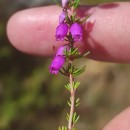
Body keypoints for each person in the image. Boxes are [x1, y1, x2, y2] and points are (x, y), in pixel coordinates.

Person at [6, 2, 130, 130]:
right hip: (65, 41)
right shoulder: (64, 21)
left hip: (68, 35)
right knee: (61, 53)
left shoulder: (72, 24)